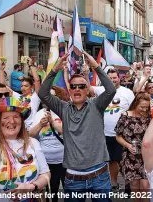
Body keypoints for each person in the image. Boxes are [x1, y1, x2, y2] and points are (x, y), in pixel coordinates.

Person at [0, 48, 50, 200]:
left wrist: (33, 186)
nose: (11, 121)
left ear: (22, 120)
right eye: (5, 117)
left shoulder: (32, 143)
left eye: (16, 116)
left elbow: (46, 174)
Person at [38, 51, 116, 201]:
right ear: (70, 90)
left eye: (81, 86)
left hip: (99, 176)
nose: (77, 89)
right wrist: (55, 70)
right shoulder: (63, 108)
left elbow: (111, 90)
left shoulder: (96, 105)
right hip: (73, 179)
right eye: (73, 86)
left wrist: (95, 66)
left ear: (87, 90)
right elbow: (43, 93)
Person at [91, 68, 134, 191]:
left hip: (123, 134)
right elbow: (88, 88)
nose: (112, 80)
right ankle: (114, 183)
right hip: (105, 133)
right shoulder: (101, 90)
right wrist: (84, 72)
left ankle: (128, 184)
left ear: (119, 78)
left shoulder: (127, 92)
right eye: (109, 78)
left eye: (114, 77)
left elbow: (133, 109)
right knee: (111, 160)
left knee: (124, 160)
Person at [29, 86, 69, 202]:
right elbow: (30, 135)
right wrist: (40, 125)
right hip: (46, 162)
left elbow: (72, 134)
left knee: (69, 191)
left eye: (53, 97)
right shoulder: (38, 114)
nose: (49, 100)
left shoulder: (65, 112)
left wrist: (54, 124)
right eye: (47, 97)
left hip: (65, 160)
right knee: (51, 193)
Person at [115, 92, 152, 200]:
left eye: (147, 107)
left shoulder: (149, 117)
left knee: (146, 186)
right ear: (135, 104)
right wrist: (127, 145)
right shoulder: (125, 116)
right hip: (131, 157)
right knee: (135, 186)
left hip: (146, 156)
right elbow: (118, 136)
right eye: (142, 107)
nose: (145, 110)